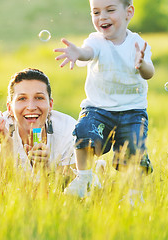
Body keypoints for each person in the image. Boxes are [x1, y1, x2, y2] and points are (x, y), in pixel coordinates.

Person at [54, 0, 155, 198]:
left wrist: (142, 63)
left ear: (129, 12)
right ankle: (84, 177)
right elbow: (87, 52)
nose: (102, 17)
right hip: (98, 109)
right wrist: (78, 53)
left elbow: (149, 73)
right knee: (84, 131)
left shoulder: (138, 44)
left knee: (134, 151)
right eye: (96, 12)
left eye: (110, 10)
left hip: (133, 111)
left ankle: (135, 194)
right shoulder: (96, 41)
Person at [0, 68, 77, 190]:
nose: (31, 107)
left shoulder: (68, 130)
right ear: (10, 108)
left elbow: (73, 194)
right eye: (22, 98)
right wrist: (6, 145)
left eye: (39, 98)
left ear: (50, 105)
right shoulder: (0, 129)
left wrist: (45, 169)